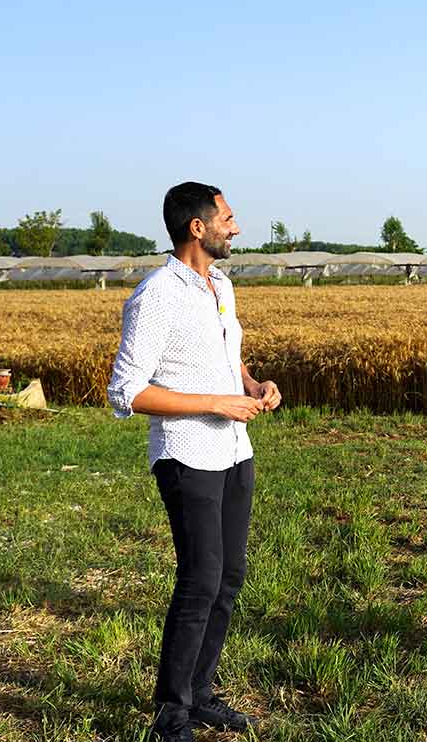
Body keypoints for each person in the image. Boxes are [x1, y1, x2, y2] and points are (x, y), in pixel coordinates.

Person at [107, 182, 281, 742]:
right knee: (200, 579)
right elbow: (125, 393)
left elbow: (227, 361)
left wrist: (254, 385)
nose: (236, 227)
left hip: (236, 451)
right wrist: (215, 403)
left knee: (229, 577)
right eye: (228, 218)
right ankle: (171, 713)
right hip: (187, 454)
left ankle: (200, 692)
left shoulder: (221, 285)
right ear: (197, 228)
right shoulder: (156, 295)